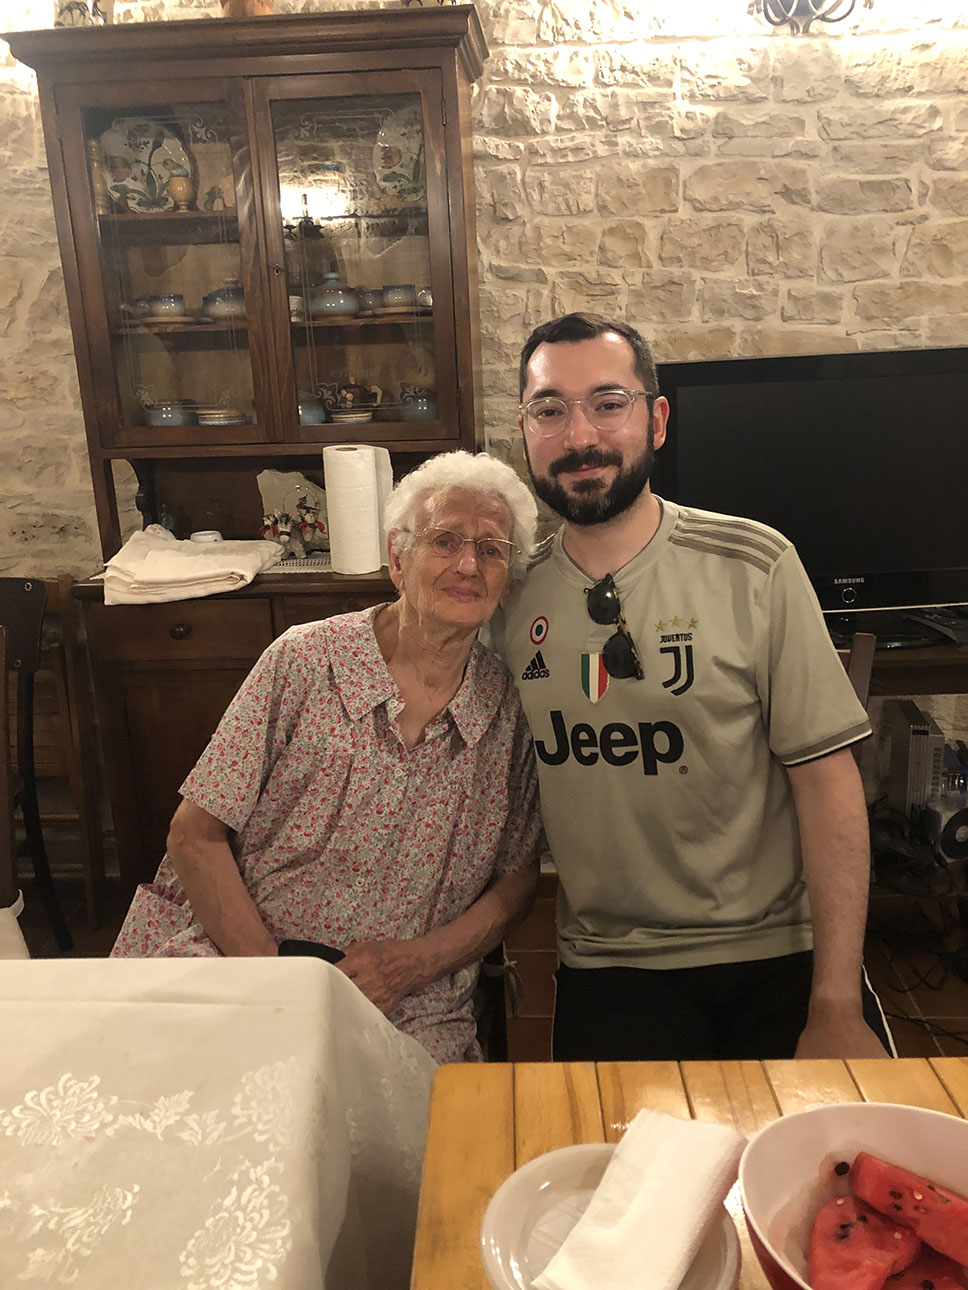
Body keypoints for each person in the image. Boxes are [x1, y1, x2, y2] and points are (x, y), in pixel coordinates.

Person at [489, 312, 894, 1062]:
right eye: (550, 410)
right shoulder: (508, 600)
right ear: (525, 431)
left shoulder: (756, 565)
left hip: (779, 950)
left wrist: (835, 1003)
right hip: (612, 963)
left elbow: (827, 783)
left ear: (657, 420)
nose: (579, 435)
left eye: (608, 403)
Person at [112, 451, 543, 1064]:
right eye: (445, 541)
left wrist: (418, 963)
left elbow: (518, 878)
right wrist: (275, 977)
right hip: (241, 956)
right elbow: (193, 835)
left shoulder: (505, 710)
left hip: (406, 998)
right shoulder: (306, 661)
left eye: (492, 549)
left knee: (404, 1115)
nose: (469, 565)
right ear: (398, 558)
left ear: (506, 577)